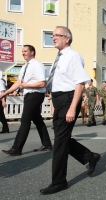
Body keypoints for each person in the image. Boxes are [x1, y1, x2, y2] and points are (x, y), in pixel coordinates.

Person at [40, 26, 100, 195]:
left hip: (69, 100)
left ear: (67, 38)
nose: (53, 37)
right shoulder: (58, 57)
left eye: (57, 35)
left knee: (59, 142)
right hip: (59, 100)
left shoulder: (73, 56)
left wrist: (72, 108)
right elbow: (58, 82)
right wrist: (54, 103)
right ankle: (90, 157)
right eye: (52, 35)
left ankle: (59, 182)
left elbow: (80, 83)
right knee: (62, 138)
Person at [1, 45, 52, 155]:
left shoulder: (37, 65)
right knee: (37, 119)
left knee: (25, 120)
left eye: (25, 51)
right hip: (29, 95)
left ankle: (16, 148)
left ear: (32, 52)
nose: (23, 53)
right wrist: (5, 92)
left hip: (36, 95)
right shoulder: (25, 67)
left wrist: (26, 85)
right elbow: (19, 83)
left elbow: (42, 83)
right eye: (22, 51)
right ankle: (47, 144)